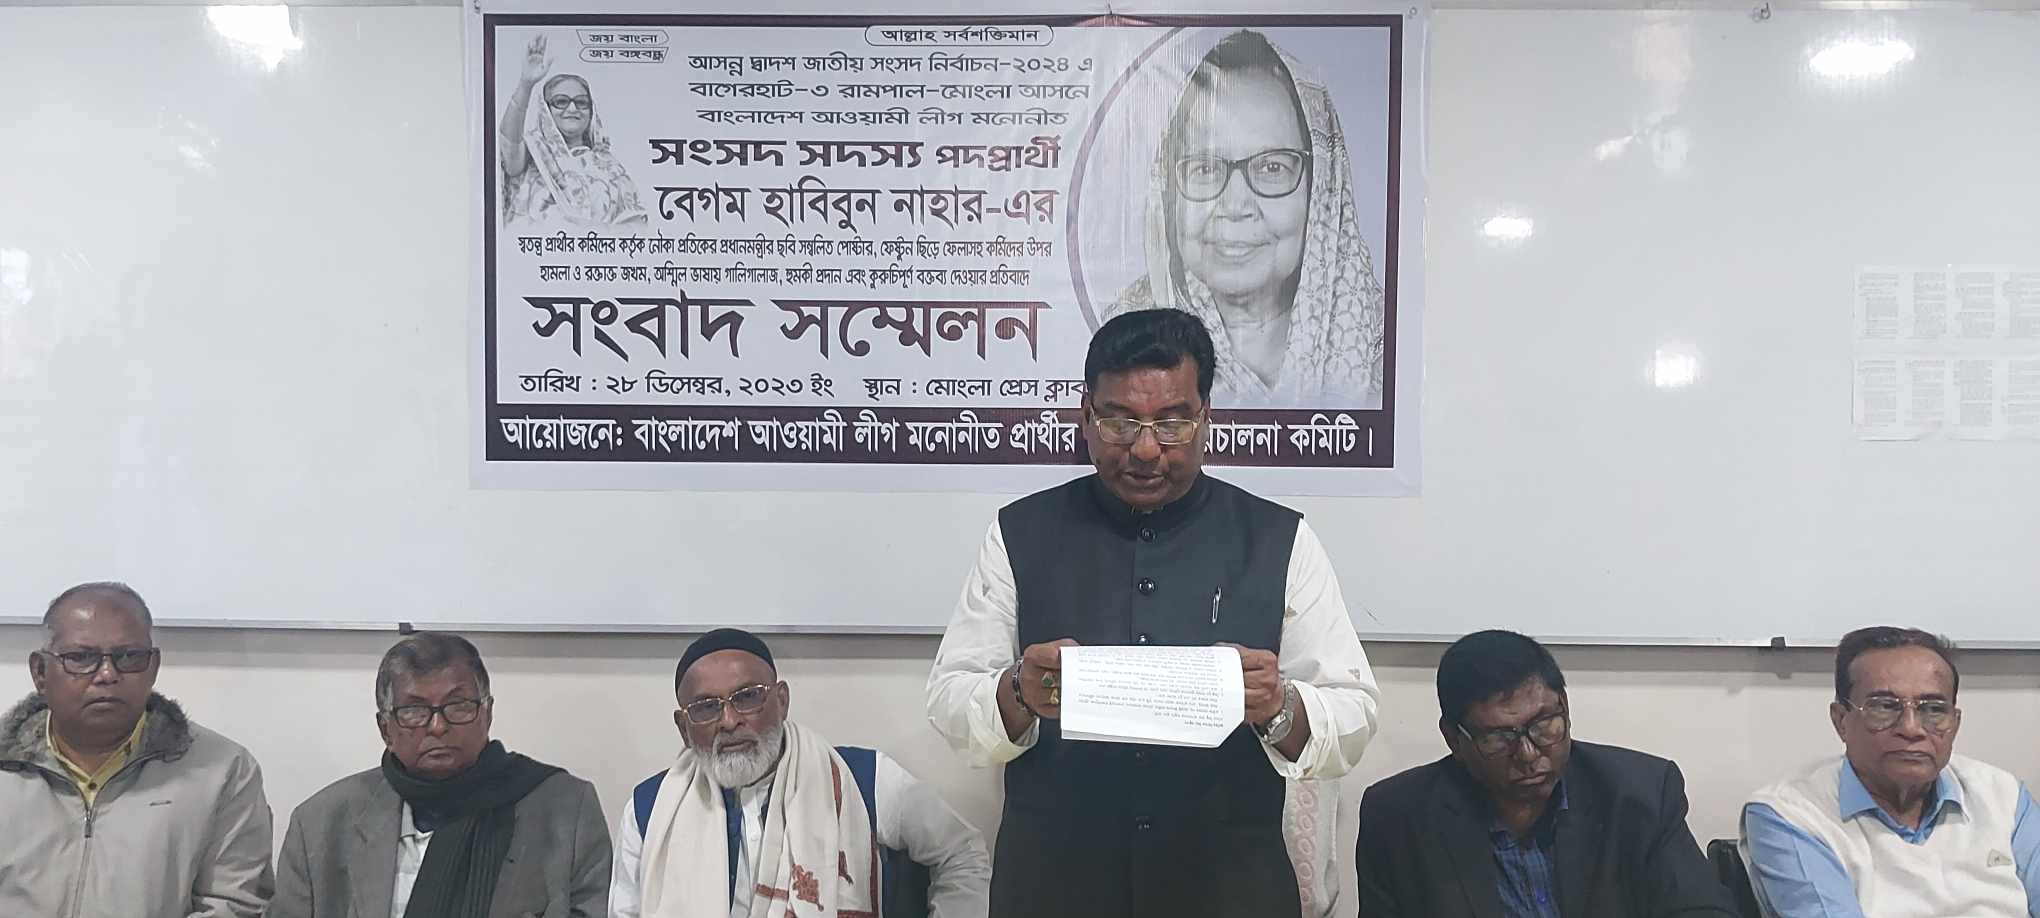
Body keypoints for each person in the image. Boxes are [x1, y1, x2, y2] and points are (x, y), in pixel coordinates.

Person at [926, 308, 1381, 918]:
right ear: (1085, 416)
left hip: (1227, 890)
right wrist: (1017, 693)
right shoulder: (1019, 533)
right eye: (1119, 422)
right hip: (1055, 888)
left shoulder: (1280, 539)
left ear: (1206, 417)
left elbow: (1353, 713)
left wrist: (1278, 706)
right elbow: (950, 700)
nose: (1144, 449)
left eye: (1171, 423)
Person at [1355, 630, 1736, 917]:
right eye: (1499, 738)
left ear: (1564, 706)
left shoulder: (1641, 794)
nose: (1528, 754)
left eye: (1543, 725)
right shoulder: (1398, 817)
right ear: (1454, 738)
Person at [617, 628, 991, 918]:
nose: (729, 721)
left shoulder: (862, 779)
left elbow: (963, 852)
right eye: (706, 707)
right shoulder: (650, 811)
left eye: (747, 697)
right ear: (684, 729)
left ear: (781, 701)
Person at [1108, 29, 1386, 407]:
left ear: (1321, 188)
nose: (1236, 205)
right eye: (1205, 168)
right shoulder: (1119, 338)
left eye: (1272, 167)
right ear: (1169, 189)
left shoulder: (1381, 343)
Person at [270, 632, 610, 918]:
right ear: (385, 728)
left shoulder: (566, 810)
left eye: (458, 706)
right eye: (414, 711)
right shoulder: (319, 826)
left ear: (487, 714)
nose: (438, 726)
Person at [0, 581, 274, 918]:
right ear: (40, 672)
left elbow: (234, 904)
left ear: (153, 667)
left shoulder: (223, 771)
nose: (107, 674)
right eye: (81, 658)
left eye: (129, 657)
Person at [1741, 626, 2040, 917]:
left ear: (1955, 723)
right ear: (1841, 720)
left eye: (1933, 709)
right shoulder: (1790, 814)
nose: (1911, 729)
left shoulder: (2004, 796)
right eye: (1885, 707)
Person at [500, 33, 647, 228]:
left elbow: (637, 226)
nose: (572, 109)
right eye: (561, 101)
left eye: (581, 102)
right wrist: (525, 85)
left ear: (591, 111)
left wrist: (593, 231)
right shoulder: (533, 153)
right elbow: (508, 142)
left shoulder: (609, 167)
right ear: (546, 110)